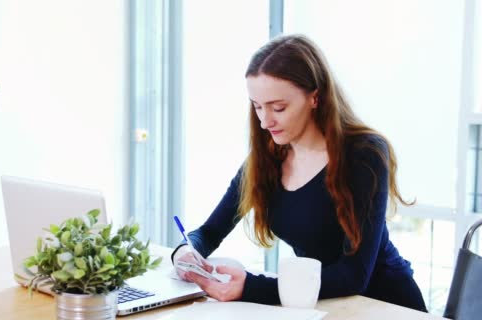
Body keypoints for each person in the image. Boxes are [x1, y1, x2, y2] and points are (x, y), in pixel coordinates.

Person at [171, 34, 427, 312]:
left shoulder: (364, 154)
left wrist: (251, 287)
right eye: (257, 106)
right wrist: (187, 253)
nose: (265, 121)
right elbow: (209, 232)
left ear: (315, 97)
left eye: (278, 108)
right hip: (320, 303)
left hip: (385, 305)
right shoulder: (265, 160)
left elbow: (354, 276)